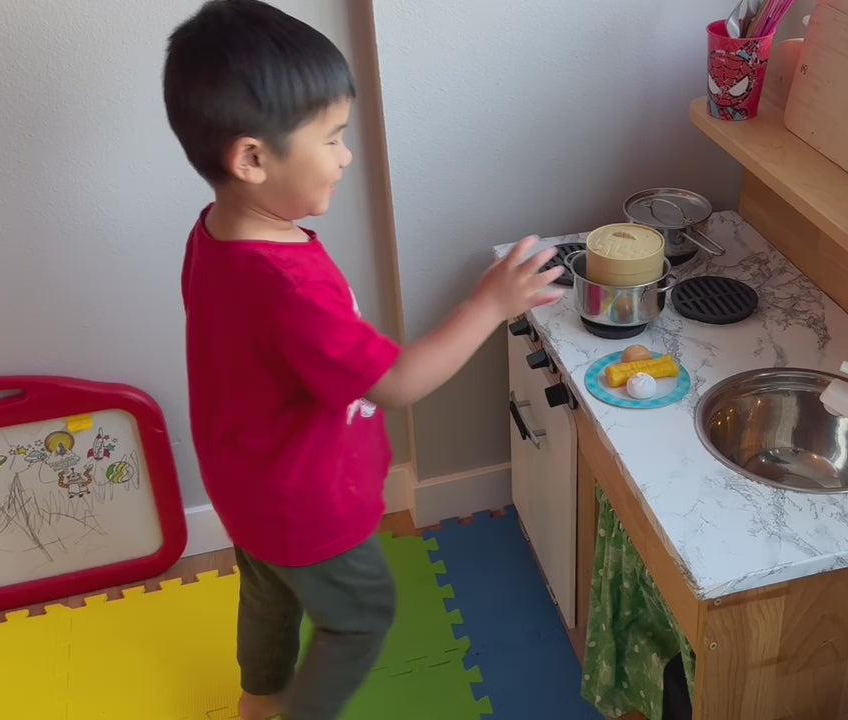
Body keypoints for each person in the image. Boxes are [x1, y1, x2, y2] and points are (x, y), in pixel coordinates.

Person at [163, 2, 563, 718]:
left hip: (245, 485)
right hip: (305, 503)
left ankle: (258, 701)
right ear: (252, 158)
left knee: (269, 594)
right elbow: (398, 384)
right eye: (332, 137)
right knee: (361, 616)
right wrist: (490, 305)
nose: (346, 155)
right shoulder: (290, 284)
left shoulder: (214, 234)